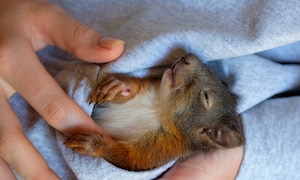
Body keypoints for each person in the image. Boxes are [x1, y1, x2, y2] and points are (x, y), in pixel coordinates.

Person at [0, 0, 243, 179]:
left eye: (205, 96)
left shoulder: (164, 145)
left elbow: (132, 159)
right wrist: (127, 84)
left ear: (207, 131)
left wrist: (101, 147)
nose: (190, 62)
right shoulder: (163, 93)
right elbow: (143, 88)